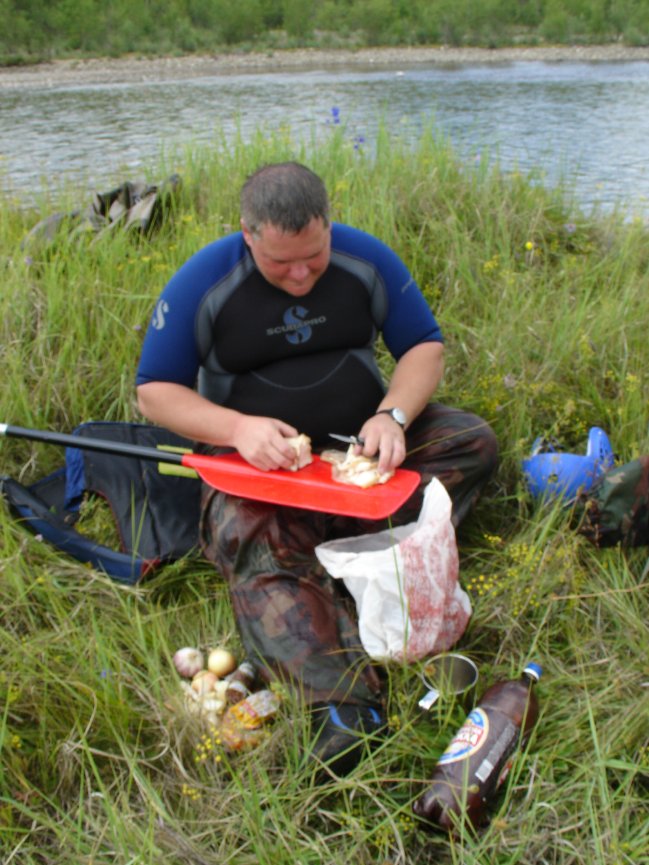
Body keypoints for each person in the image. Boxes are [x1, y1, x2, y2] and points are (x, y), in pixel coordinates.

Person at [136, 161, 497, 774]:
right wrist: (238, 430)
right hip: (260, 473)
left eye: (314, 254)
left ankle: (343, 549)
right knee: (245, 533)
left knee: (472, 440)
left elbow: (423, 347)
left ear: (328, 226)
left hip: (360, 457)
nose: (302, 274)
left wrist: (394, 417)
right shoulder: (205, 281)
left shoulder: (365, 260)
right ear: (247, 235)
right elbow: (155, 392)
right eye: (282, 263)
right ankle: (345, 704)